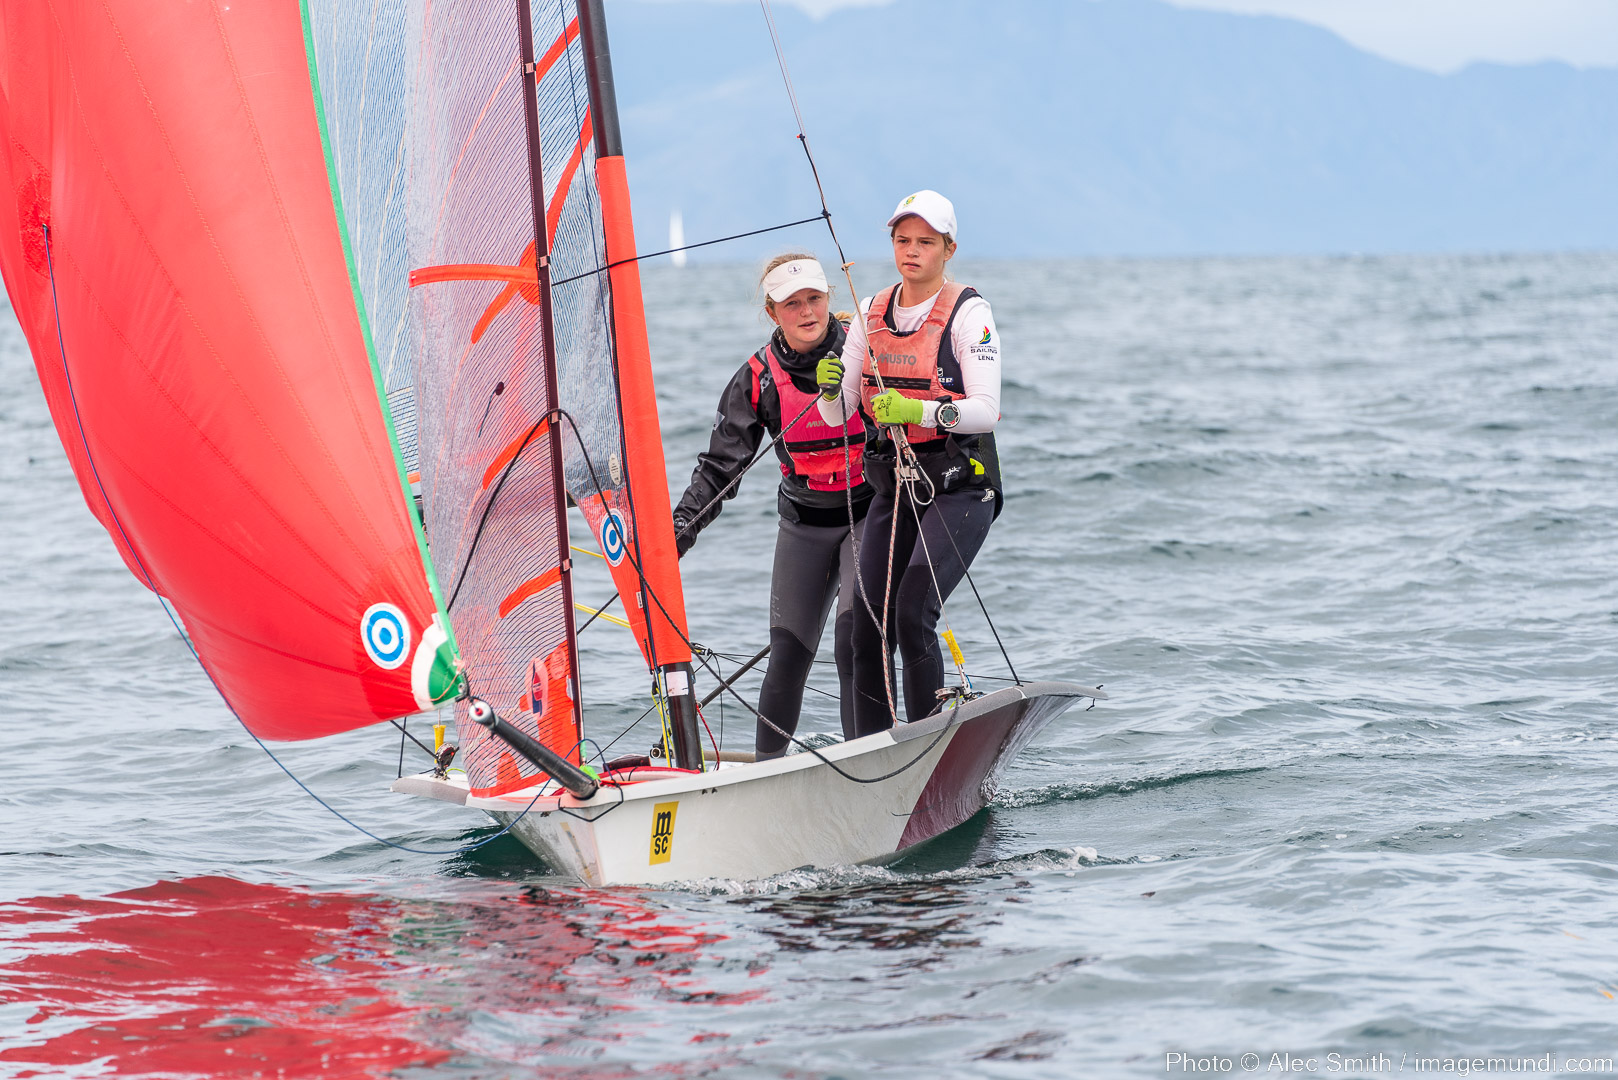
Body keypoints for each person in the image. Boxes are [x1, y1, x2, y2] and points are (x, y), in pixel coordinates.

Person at [814, 190, 1003, 734]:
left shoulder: (970, 313)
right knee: (865, 624)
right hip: (895, 485)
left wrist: (917, 409)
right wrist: (830, 390)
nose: (912, 251)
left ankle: (926, 739)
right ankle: (871, 748)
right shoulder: (870, 311)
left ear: (949, 249)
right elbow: (839, 414)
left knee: (913, 611)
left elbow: (987, 411)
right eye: (902, 240)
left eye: (925, 242)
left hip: (961, 487)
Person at [672, 254, 872, 759]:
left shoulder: (865, 351)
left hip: (870, 515)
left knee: (853, 640)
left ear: (828, 298)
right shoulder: (757, 378)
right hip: (804, 523)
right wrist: (677, 531)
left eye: (814, 299)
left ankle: (870, 761)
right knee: (787, 654)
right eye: (792, 304)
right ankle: (768, 772)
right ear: (771, 312)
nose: (806, 312)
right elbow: (720, 469)